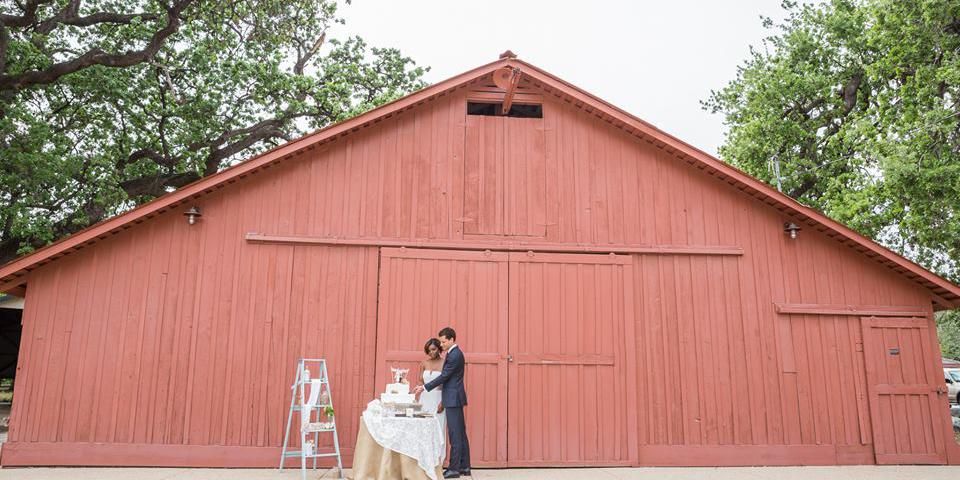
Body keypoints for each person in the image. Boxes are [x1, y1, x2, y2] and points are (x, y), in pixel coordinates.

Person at [415, 327, 470, 478]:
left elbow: (444, 376)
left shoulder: (454, 355)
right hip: (454, 398)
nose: (442, 344)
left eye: (444, 341)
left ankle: (454, 468)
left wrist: (425, 387)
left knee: (455, 435)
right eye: (441, 341)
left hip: (452, 399)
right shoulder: (453, 353)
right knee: (460, 433)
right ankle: (464, 466)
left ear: (452, 340)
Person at [418, 338, 446, 459]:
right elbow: (421, 381)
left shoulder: (445, 363)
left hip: (438, 398)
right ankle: (424, 458)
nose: (431, 352)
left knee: (438, 429)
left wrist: (443, 402)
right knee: (424, 429)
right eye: (428, 351)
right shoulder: (424, 363)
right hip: (425, 399)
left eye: (433, 349)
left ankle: (438, 460)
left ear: (439, 349)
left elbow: (447, 385)